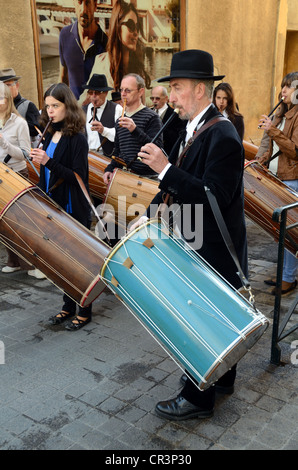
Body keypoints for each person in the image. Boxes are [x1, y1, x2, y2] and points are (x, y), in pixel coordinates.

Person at [134, 49, 248, 420]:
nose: (171, 96)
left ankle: (197, 398)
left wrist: (165, 169)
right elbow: (175, 185)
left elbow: (215, 194)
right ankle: (225, 376)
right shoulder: (190, 127)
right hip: (198, 240)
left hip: (213, 244)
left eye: (178, 88)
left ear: (200, 90)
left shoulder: (224, 134)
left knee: (202, 318)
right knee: (220, 315)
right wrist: (148, 216)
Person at [30, 83, 92, 330]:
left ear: (68, 106)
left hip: (71, 206)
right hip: (52, 204)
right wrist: (38, 164)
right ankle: (67, 306)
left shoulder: (77, 138)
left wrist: (48, 161)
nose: (51, 111)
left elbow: (78, 176)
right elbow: (46, 172)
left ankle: (85, 310)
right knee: (60, 260)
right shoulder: (48, 132)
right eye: (48, 106)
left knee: (78, 260)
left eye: (56, 106)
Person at [257, 71, 298, 295]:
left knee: (289, 232)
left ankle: (289, 278)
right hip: (277, 178)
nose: (283, 91)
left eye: (289, 87)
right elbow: (270, 148)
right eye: (283, 86)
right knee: (279, 232)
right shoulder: (282, 113)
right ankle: (284, 273)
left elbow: (294, 151)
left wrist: (273, 130)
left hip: (293, 179)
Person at [0, 82, 44, 278]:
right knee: (4, 223)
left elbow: (26, 154)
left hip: (17, 176)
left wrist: (5, 144)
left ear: (8, 100)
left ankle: (35, 264)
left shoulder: (19, 123)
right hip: (1, 178)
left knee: (23, 223)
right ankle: (14, 260)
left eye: (1, 98)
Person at [103, 73, 163, 183]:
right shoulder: (119, 121)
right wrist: (109, 169)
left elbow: (157, 148)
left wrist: (135, 130)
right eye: (121, 90)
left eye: (128, 90)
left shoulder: (152, 117)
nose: (123, 94)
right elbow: (118, 152)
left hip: (148, 179)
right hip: (125, 177)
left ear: (141, 91)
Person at [85, 0, 150, 95]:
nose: (136, 32)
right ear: (117, 27)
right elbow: (87, 99)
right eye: (130, 25)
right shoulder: (102, 65)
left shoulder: (137, 67)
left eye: (137, 27)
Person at [59, 0, 108, 99]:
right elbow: (62, 78)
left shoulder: (106, 43)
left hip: (96, 111)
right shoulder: (65, 35)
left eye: (88, 3)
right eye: (79, 2)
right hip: (73, 111)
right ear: (74, 3)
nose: (83, 9)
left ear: (95, 6)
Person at [83, 74, 123, 156]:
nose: (93, 96)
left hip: (108, 158)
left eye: (97, 92)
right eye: (90, 92)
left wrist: (103, 130)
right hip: (87, 156)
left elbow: (122, 134)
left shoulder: (117, 109)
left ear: (105, 93)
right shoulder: (82, 110)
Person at [0, 68, 41, 147]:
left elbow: (37, 131)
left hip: (25, 156)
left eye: (8, 85)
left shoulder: (28, 106)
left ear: (17, 85)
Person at [150, 85, 186, 156]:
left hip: (167, 154)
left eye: (157, 98)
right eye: (152, 98)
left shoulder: (176, 115)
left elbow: (177, 137)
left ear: (166, 98)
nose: (154, 101)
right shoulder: (148, 113)